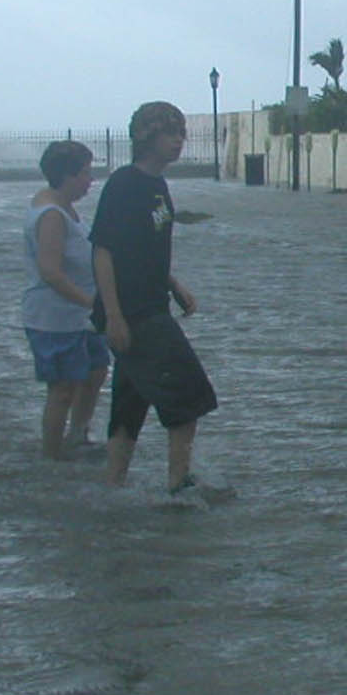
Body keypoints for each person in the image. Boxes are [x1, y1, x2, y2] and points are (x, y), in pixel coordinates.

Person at [89, 100, 220, 497]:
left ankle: (112, 487)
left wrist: (172, 283)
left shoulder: (157, 186)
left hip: (151, 303)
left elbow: (143, 247)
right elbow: (104, 250)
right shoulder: (124, 185)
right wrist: (113, 316)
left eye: (181, 133)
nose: (179, 142)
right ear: (148, 137)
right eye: (170, 134)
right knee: (190, 394)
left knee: (131, 401)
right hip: (134, 313)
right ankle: (179, 485)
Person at [22, 139, 109, 459]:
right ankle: (52, 455)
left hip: (80, 318)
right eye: (86, 173)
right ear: (66, 176)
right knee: (62, 390)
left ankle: (78, 435)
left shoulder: (64, 207)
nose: (90, 180)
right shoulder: (51, 215)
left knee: (97, 370)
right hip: (55, 318)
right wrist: (92, 303)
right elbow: (50, 272)